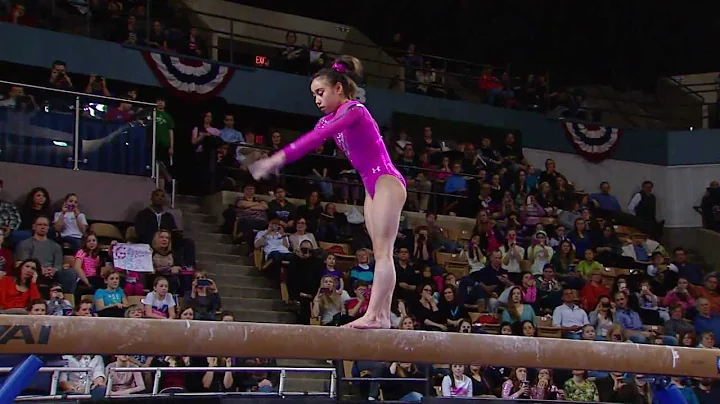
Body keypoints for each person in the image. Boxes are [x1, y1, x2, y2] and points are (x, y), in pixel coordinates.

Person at [249, 55, 406, 329]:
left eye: (320, 93)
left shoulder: (356, 110)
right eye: (313, 95)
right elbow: (310, 141)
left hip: (386, 180)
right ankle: (380, 316)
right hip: (370, 184)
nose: (317, 100)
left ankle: (375, 314)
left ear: (338, 88)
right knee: (379, 250)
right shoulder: (325, 122)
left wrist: (275, 159)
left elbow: (318, 137)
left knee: (383, 252)